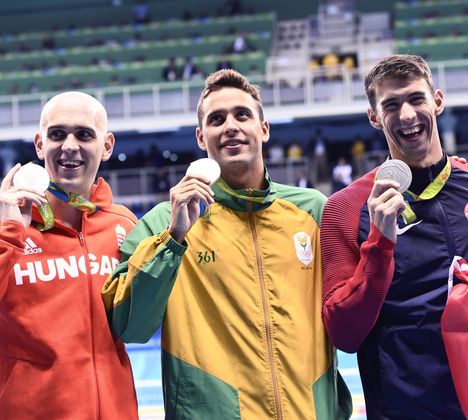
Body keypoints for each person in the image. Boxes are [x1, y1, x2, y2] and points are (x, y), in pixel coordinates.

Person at [102, 69, 352, 419]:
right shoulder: (165, 222)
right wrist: (173, 240)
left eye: (242, 114)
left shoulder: (312, 211)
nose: (230, 126)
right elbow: (130, 326)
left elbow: (350, 313)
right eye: (217, 119)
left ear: (263, 129)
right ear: (201, 137)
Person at [320, 54, 468, 419]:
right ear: (374, 118)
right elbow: (344, 335)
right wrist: (379, 243)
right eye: (391, 105)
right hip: (404, 409)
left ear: (437, 101)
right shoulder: (345, 208)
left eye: (416, 99)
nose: (407, 114)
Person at [0, 92, 138, 418]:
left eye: (84, 134)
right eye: (58, 134)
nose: (70, 145)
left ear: (107, 146)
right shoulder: (7, 228)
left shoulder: (124, 225)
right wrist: (8, 235)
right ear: (39, 144)